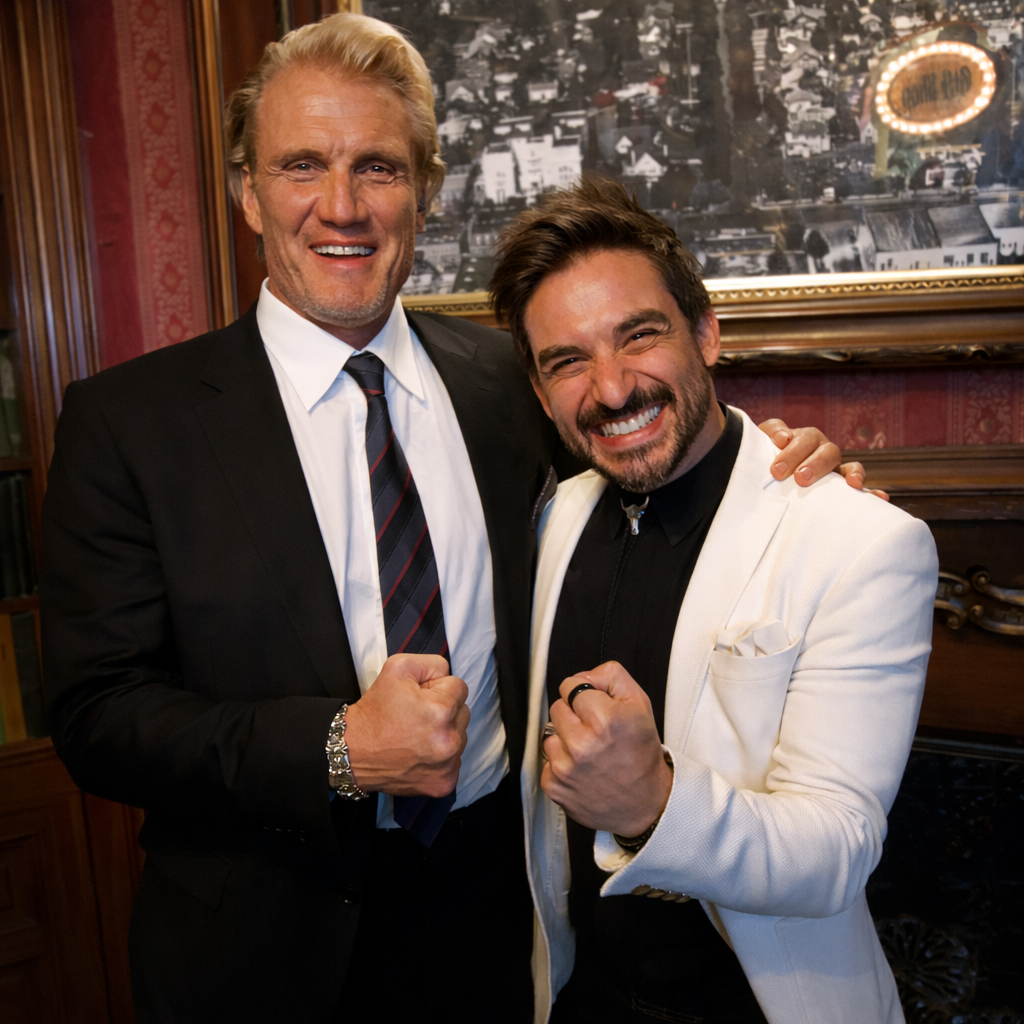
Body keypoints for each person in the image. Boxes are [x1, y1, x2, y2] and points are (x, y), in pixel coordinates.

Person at [42, 15, 861, 1024]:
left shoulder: (508, 385)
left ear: (424, 192)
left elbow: (648, 449)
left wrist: (779, 471)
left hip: (500, 916)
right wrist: (338, 746)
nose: (341, 207)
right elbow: (96, 716)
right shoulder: (128, 423)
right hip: (260, 948)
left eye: (378, 167)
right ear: (249, 193)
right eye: (303, 164)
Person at [489, 177, 938, 1024]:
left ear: (706, 332)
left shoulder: (860, 541)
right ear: (542, 391)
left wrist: (653, 803)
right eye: (568, 361)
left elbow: (837, 852)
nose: (613, 389)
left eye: (640, 336)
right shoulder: (552, 518)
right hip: (578, 998)